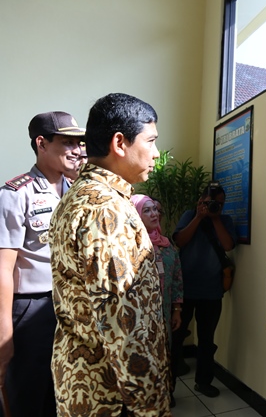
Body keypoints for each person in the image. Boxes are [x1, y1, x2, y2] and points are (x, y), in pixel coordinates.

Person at [48, 93, 171, 416]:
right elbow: (123, 324)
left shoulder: (84, 195)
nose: (156, 153)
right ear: (119, 143)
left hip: (88, 382)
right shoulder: (105, 210)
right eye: (151, 141)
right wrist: (149, 407)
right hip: (112, 394)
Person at [0, 111, 85, 417]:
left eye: (79, 143)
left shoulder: (77, 192)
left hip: (70, 306)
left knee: (63, 392)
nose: (77, 150)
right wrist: (5, 331)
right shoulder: (15, 194)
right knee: (29, 395)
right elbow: (3, 268)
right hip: (31, 310)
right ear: (42, 143)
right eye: (67, 142)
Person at [173, 182, 236, 398]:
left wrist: (215, 218)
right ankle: (168, 389)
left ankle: (203, 382)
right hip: (184, 290)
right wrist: (199, 217)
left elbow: (228, 246)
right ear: (201, 201)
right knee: (176, 339)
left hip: (211, 291)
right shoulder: (189, 215)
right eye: (212, 203)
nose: (216, 206)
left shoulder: (225, 220)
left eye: (220, 204)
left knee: (207, 340)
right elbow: (180, 241)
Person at [131, 194, 183, 407]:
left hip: (165, 312)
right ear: (135, 214)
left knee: (166, 353)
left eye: (155, 209)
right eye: (147, 210)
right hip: (140, 317)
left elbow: (177, 278)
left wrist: (177, 309)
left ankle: (166, 392)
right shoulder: (130, 247)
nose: (154, 214)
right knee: (144, 356)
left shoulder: (166, 245)